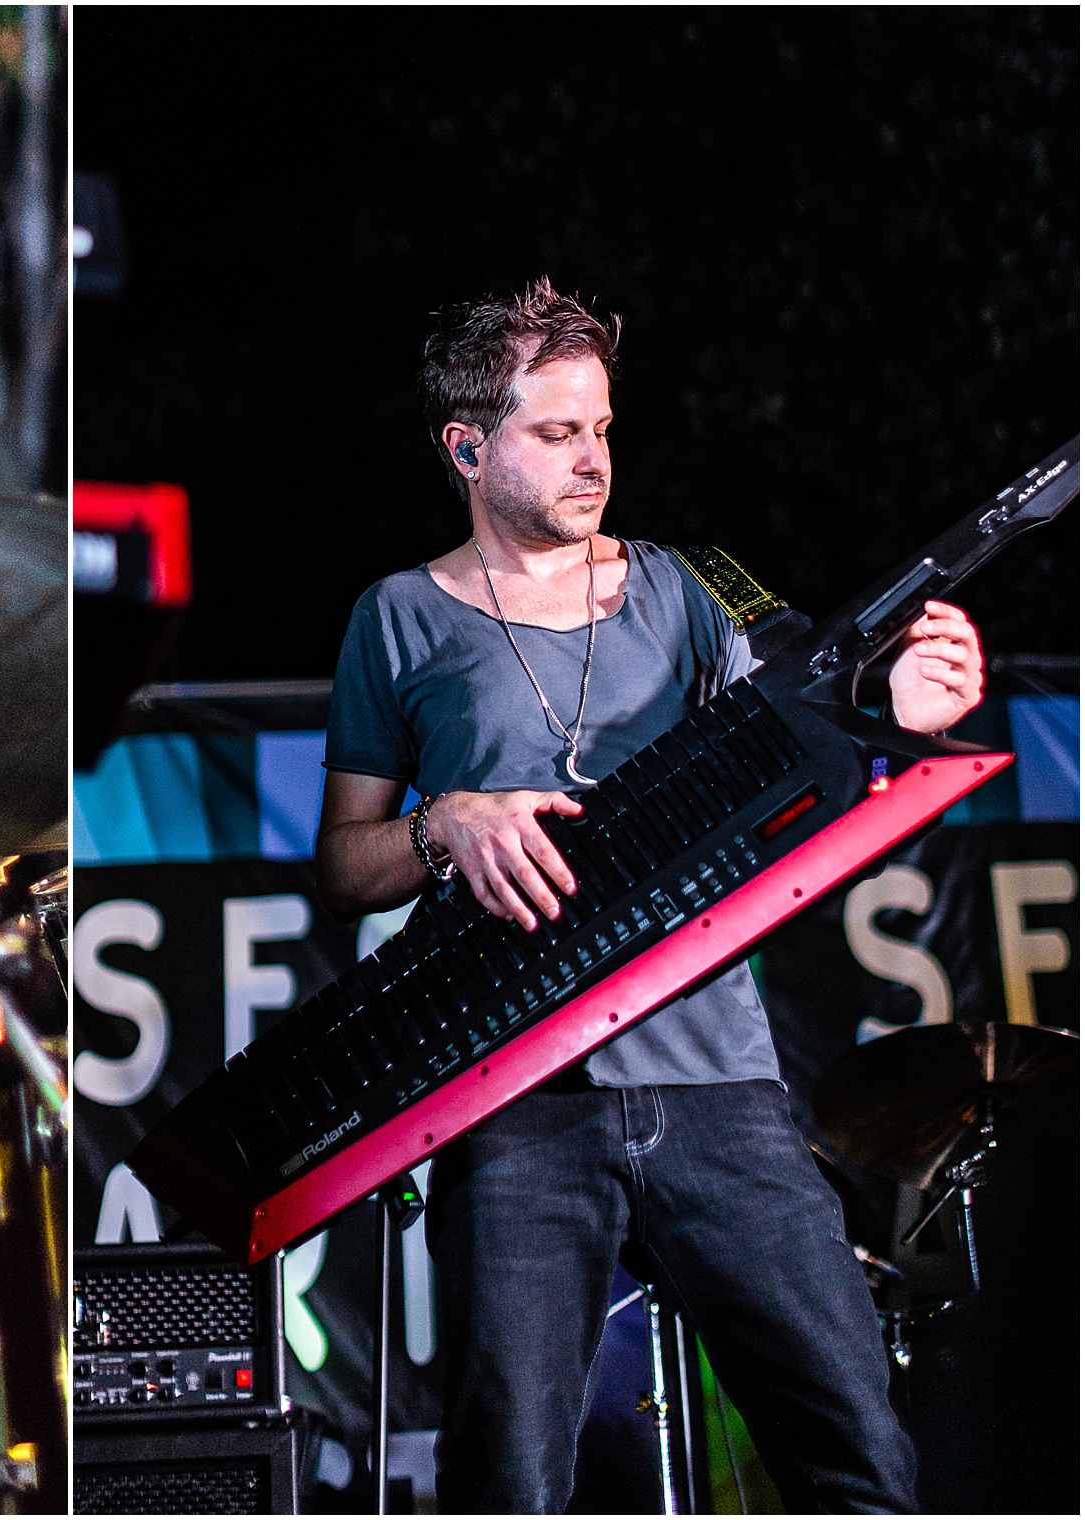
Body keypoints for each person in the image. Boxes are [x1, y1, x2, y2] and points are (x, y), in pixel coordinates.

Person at [314, 279, 981, 1513]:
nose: (593, 460)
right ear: (466, 447)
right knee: (506, 1480)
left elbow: (806, 767)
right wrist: (443, 820)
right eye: (556, 433)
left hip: (719, 1084)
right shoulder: (396, 618)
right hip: (513, 1097)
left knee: (863, 1458)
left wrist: (895, 719)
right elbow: (344, 866)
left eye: (603, 428)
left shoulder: (694, 587)